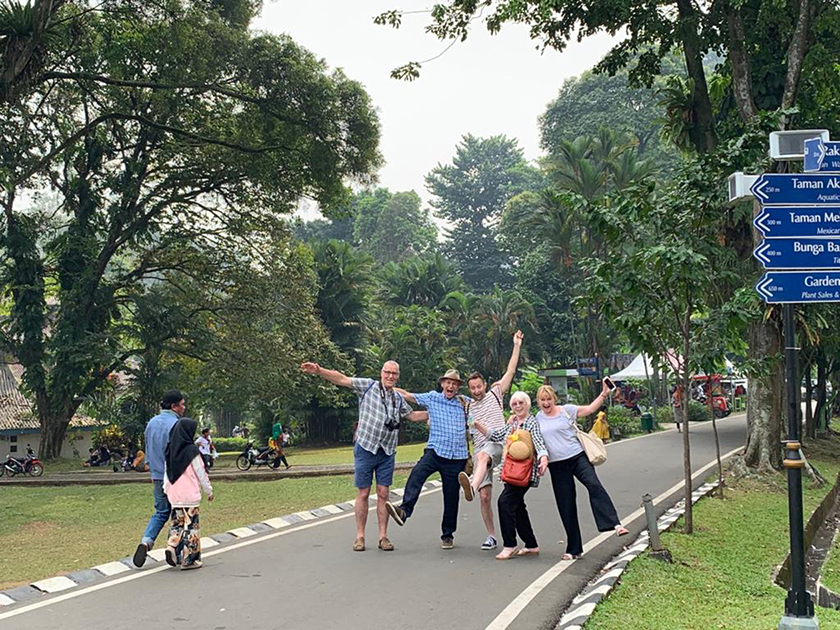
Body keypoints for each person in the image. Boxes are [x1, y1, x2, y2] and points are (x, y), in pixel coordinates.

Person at [301, 360, 428, 552]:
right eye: (388, 372)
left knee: (384, 493)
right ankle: (360, 536)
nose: (390, 376)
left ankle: (383, 536)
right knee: (363, 493)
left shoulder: (398, 399)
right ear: (381, 373)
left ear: (397, 376)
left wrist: (438, 410)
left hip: (387, 450)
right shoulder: (367, 386)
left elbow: (412, 416)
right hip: (366, 447)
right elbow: (342, 379)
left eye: (394, 374)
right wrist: (319, 370)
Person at [535, 383, 628, 561]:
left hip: (578, 457)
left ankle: (614, 524)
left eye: (549, 399)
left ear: (554, 399)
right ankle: (574, 548)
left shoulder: (566, 410)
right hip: (557, 465)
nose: (546, 403)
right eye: (542, 400)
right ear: (538, 402)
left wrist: (603, 393)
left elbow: (591, 409)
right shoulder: (537, 419)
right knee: (566, 505)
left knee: (594, 485)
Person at [387, 370, 470, 550]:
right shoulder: (432, 398)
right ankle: (404, 511)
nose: (451, 386)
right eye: (448, 383)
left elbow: (481, 405)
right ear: (442, 384)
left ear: (458, 387)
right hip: (435, 451)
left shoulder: (464, 402)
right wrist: (389, 386)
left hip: (457, 457)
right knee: (417, 474)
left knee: (451, 497)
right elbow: (408, 396)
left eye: (454, 384)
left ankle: (447, 535)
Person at [457, 330, 524, 551]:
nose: (476, 391)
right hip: (479, 450)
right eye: (473, 388)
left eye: (479, 386)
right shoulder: (467, 404)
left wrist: (516, 345)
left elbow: (511, 370)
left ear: (484, 384)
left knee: (485, 455)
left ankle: (472, 486)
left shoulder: (496, 393)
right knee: (485, 498)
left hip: (499, 444)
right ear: (469, 389)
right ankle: (492, 535)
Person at [473, 391, 548, 560]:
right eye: (514, 404)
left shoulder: (531, 422)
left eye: (521, 402)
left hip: (524, 473)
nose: (518, 406)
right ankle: (531, 544)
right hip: (511, 472)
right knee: (518, 507)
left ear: (527, 404)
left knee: (504, 502)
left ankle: (510, 544)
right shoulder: (513, 423)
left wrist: (544, 458)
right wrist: (478, 425)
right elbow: (497, 435)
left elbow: (538, 441)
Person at [133, 390, 185, 568]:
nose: (184, 408)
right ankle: (173, 548)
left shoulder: (151, 424)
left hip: (157, 475)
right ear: (174, 406)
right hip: (175, 477)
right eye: (182, 404)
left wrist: (153, 473)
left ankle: (146, 542)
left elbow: (148, 449)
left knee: (161, 512)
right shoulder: (178, 425)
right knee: (179, 514)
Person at [163, 417, 214, 570]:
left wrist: (166, 490)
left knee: (177, 524)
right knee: (191, 526)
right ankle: (189, 560)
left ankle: (171, 546)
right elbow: (201, 472)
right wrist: (209, 490)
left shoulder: (170, 450)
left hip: (174, 494)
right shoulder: (192, 451)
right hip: (190, 495)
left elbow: (166, 473)